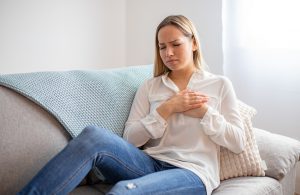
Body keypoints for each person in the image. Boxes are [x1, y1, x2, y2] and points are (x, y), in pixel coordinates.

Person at [18, 15, 245, 195]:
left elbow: (238, 142)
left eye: (176, 44)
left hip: (192, 172)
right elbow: (130, 139)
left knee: (124, 191)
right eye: (162, 47)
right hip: (148, 163)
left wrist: (206, 113)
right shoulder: (150, 87)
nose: (168, 53)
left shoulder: (219, 85)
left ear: (194, 43)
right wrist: (167, 109)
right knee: (93, 136)